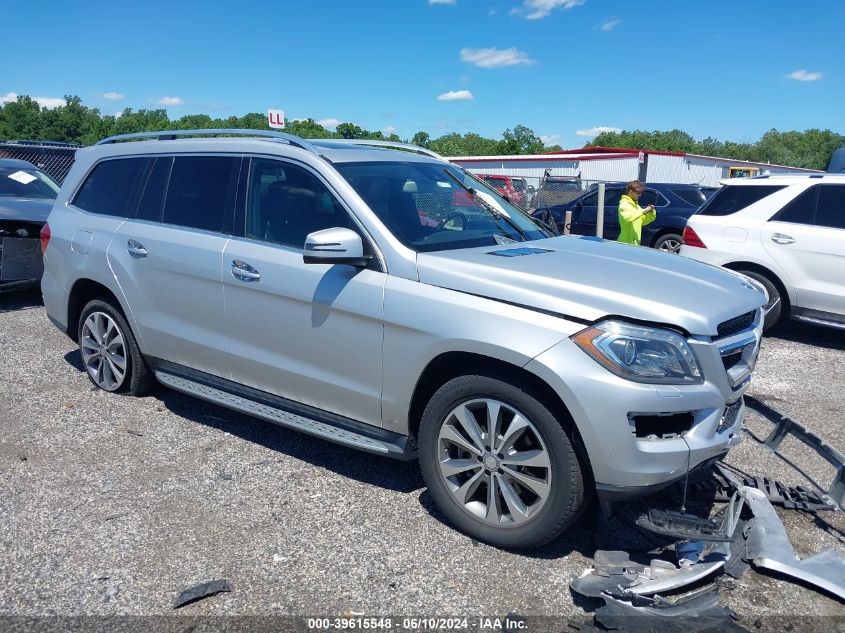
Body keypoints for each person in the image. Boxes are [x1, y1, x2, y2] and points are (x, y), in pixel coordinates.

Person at [617, 180, 656, 246]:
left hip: (635, 245)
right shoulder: (624, 204)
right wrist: (644, 210)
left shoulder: (636, 206)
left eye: (641, 193)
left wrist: (651, 212)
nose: (640, 195)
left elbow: (642, 221)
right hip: (624, 244)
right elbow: (629, 217)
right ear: (631, 192)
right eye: (638, 193)